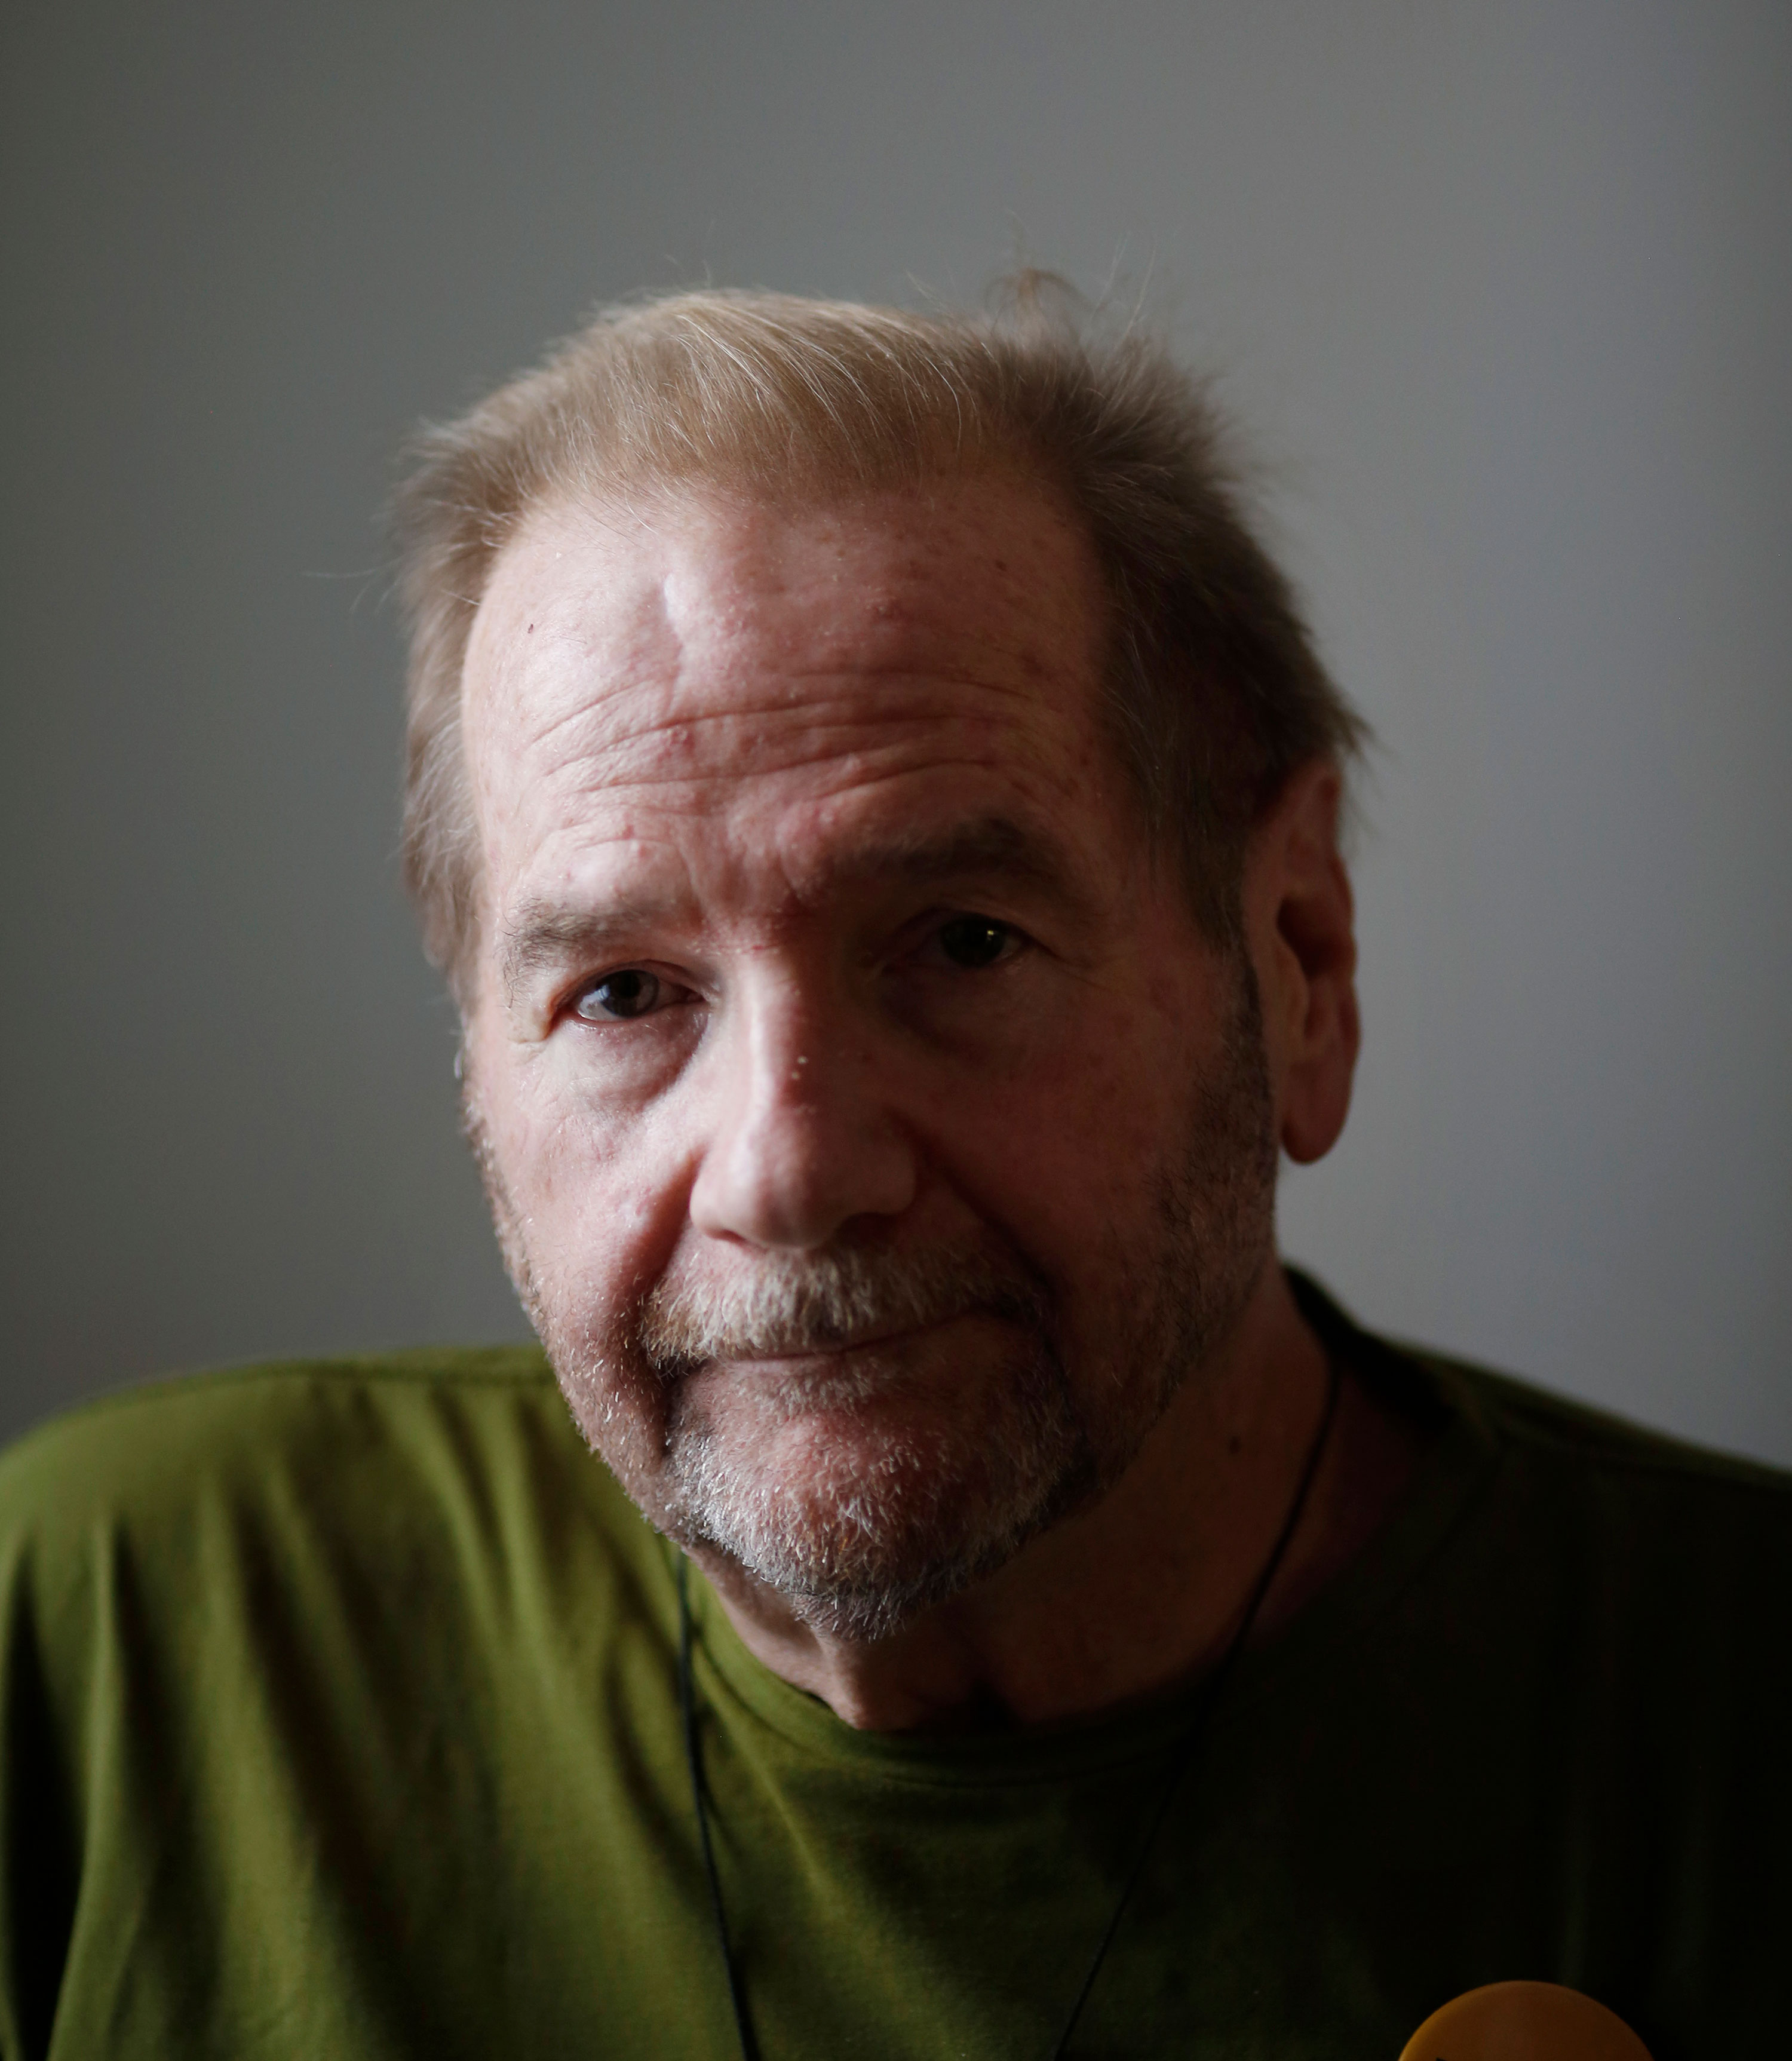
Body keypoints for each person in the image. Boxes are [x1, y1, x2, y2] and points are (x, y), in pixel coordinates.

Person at [1, 283, 1785, 2060]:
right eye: (622, 991)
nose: (787, 1169)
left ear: (1298, 960)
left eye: (962, 942)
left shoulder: (1721, 1709)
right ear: (476, 1049)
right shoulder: (122, 1635)